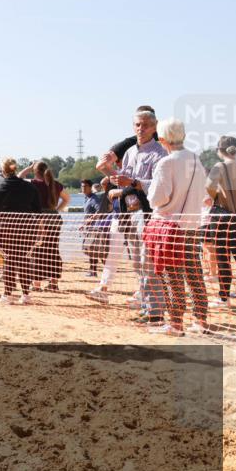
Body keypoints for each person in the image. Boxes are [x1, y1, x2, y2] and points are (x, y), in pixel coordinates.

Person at [100, 109, 167, 323]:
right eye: (138, 124)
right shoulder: (130, 152)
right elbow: (125, 177)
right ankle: (147, 306)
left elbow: (158, 185)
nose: (141, 128)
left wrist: (133, 183)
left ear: (154, 127)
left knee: (150, 262)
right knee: (137, 262)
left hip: (149, 213)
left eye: (146, 125)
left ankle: (156, 310)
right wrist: (114, 178)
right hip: (130, 212)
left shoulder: (160, 153)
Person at [143, 118, 208, 335]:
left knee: (172, 276)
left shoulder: (166, 162)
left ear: (162, 139)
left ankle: (176, 323)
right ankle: (201, 320)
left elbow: (157, 199)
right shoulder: (196, 160)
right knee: (194, 272)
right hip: (192, 225)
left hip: (170, 226)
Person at [0, 158, 42, 304]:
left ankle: (8, 294)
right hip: (27, 228)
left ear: (3, 171)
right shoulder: (29, 187)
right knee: (24, 259)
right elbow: (37, 210)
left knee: (9, 260)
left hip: (4, 229)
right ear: (15, 169)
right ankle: (26, 294)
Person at [204, 135, 236, 307]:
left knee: (222, 257)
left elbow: (209, 187)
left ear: (220, 151)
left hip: (221, 216)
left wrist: (216, 197)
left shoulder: (219, 166)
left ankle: (224, 297)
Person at [20, 161, 70, 291]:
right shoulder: (56, 184)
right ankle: (54, 283)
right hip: (54, 219)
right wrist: (56, 209)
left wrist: (29, 168)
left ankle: (36, 284)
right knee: (53, 250)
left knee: (37, 251)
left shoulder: (33, 183)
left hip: (39, 219)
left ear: (35, 171)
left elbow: (18, 177)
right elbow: (67, 199)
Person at [79, 178, 109, 278]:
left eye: (85, 186)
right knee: (92, 250)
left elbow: (99, 211)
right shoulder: (86, 198)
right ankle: (94, 271)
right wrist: (84, 224)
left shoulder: (94, 198)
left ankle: (104, 270)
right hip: (89, 228)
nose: (83, 188)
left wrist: (90, 220)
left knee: (94, 250)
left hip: (94, 228)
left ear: (90, 188)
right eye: (82, 186)